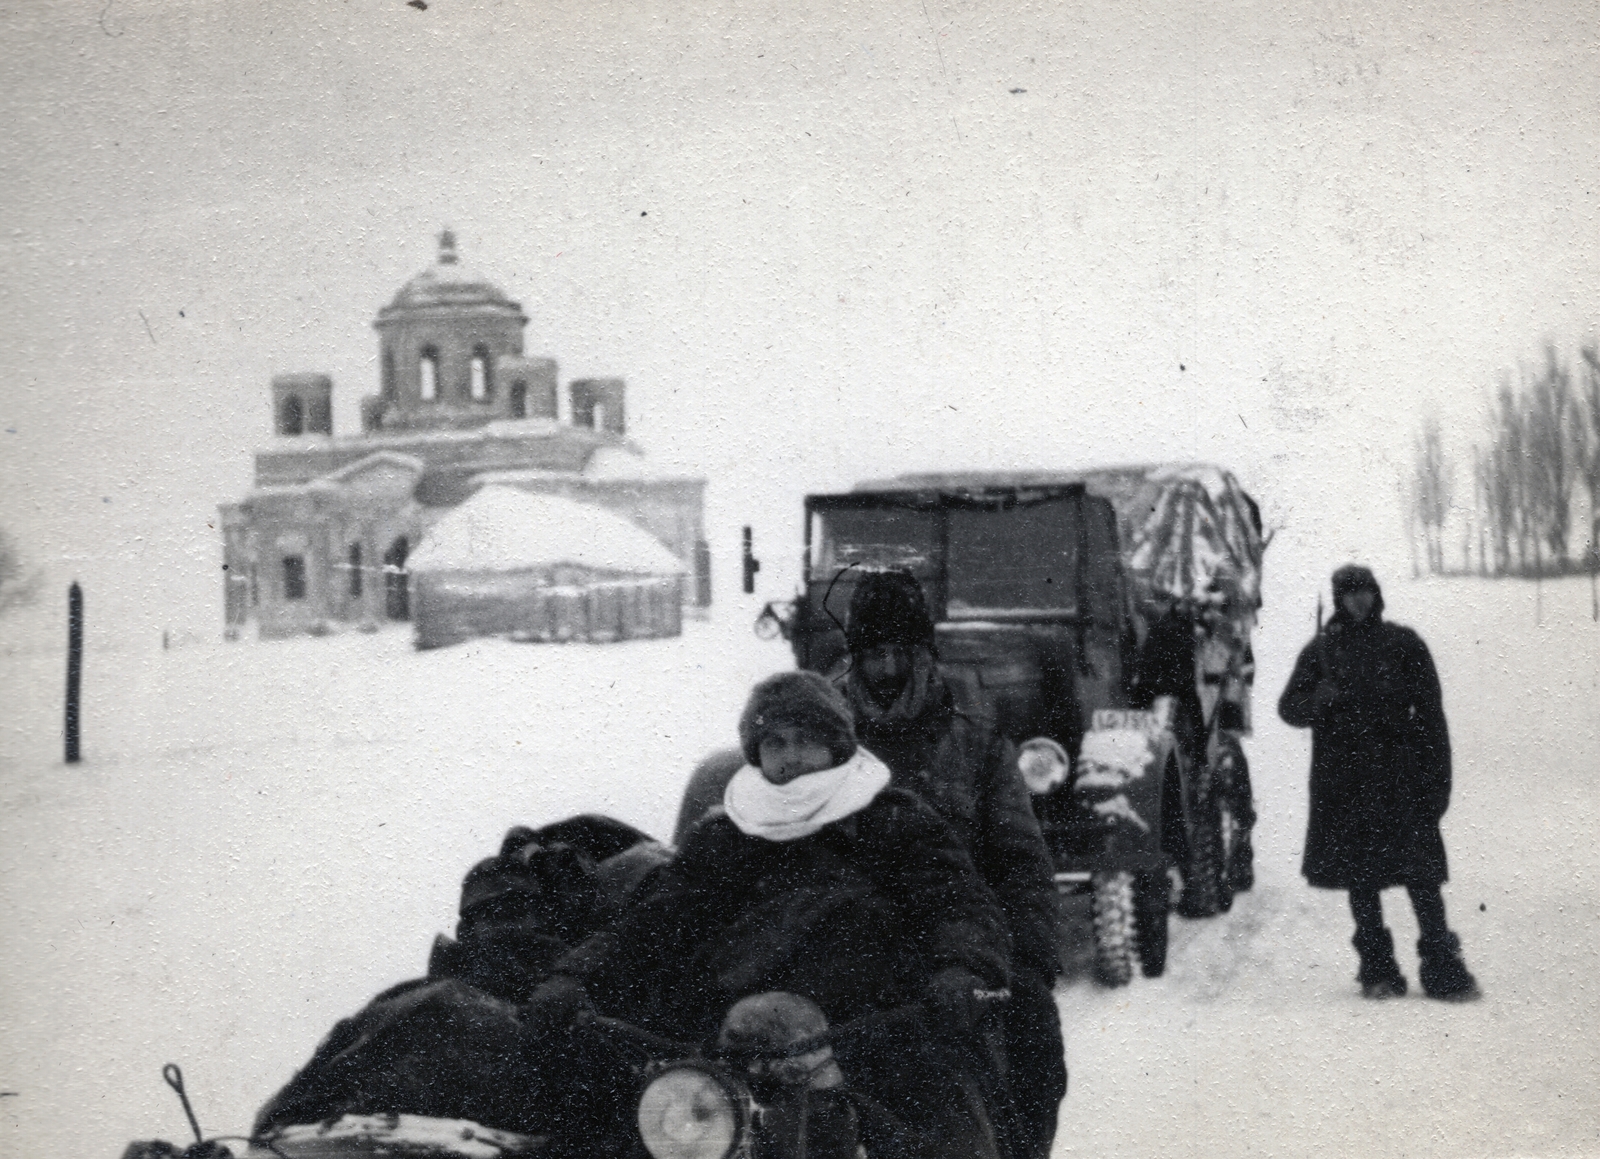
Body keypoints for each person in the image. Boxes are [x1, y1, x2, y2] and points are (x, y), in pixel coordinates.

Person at [538, 670, 1015, 1159]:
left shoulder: (894, 820)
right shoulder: (725, 835)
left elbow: (958, 903)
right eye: (775, 743)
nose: (791, 758)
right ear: (756, 753)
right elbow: (658, 920)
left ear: (837, 745)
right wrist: (578, 974)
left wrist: (965, 969)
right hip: (731, 1047)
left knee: (953, 1128)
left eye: (807, 741)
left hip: (872, 1038)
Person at [838, 569, 1066, 1159]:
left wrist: (1027, 966)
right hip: (849, 938)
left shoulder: (977, 746)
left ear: (924, 656)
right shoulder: (823, 740)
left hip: (961, 940)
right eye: (872, 655)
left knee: (1033, 1033)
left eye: (900, 654)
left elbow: (1021, 865)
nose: (886, 671)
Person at [1278, 564, 1479, 1001]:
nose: (1359, 600)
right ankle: (1377, 969)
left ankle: (1442, 968)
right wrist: (1318, 699)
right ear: (1338, 599)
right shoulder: (1321, 651)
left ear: (1377, 594)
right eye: (1350, 593)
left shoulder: (1404, 644)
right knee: (1361, 880)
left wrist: (1438, 781)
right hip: (1345, 785)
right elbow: (1288, 707)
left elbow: (1431, 717)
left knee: (1421, 879)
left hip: (1401, 782)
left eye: (1366, 591)